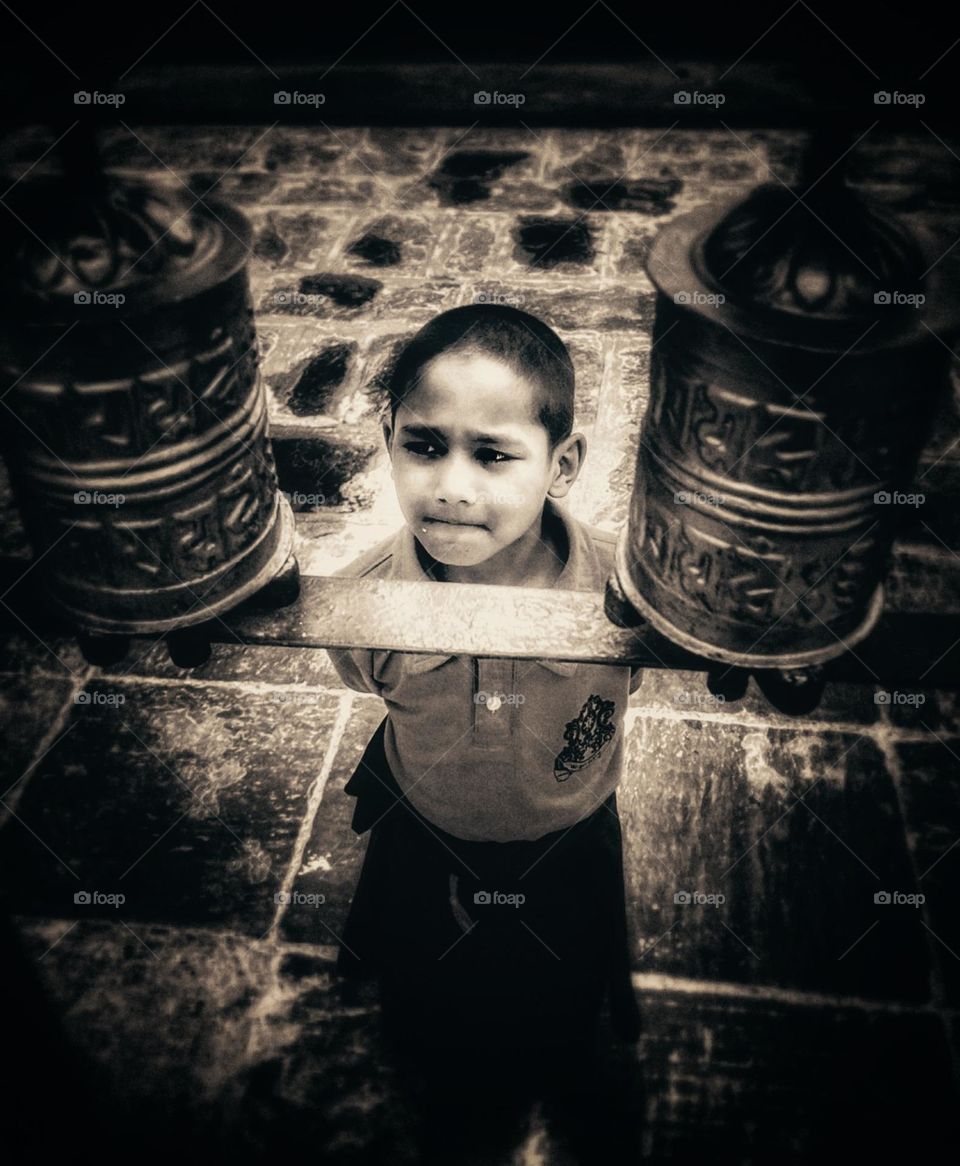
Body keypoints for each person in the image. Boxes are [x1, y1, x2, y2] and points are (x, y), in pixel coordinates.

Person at [325, 303, 643, 1075]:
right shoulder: (364, 604)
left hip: (570, 822)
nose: (452, 487)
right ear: (388, 444)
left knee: (562, 982)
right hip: (429, 819)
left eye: (493, 455)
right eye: (424, 447)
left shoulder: (626, 596)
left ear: (562, 465)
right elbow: (366, 678)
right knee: (425, 981)